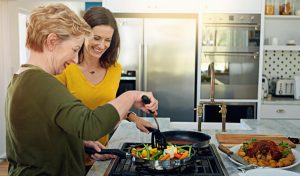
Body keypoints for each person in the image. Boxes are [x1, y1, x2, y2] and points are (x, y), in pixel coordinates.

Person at [5, 3, 158, 176]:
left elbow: (47, 134)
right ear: (52, 41)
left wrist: (80, 144)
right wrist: (131, 96)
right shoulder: (41, 82)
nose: (75, 59)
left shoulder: (22, 78)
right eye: (74, 49)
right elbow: (89, 125)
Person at [54, 6, 154, 168]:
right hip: (70, 156)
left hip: (101, 154)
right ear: (83, 34)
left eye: (107, 40)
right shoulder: (65, 67)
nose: (102, 45)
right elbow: (56, 117)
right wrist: (83, 144)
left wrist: (133, 118)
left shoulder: (115, 69)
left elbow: (108, 106)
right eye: (97, 38)